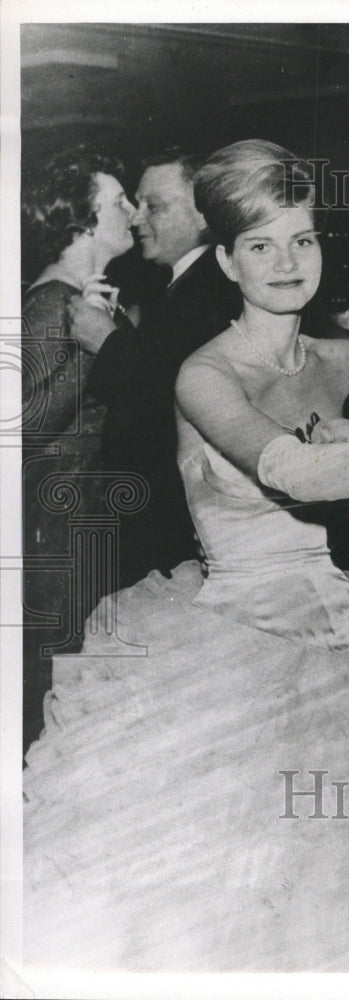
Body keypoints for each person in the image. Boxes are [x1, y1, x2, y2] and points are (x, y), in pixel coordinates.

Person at [23, 139, 349, 971]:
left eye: (303, 239)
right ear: (227, 259)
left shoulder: (338, 358)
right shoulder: (204, 371)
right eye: (260, 245)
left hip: (344, 641)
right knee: (225, 907)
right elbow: (292, 470)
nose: (286, 261)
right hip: (232, 648)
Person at [68, 148, 243, 588]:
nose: (134, 219)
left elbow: (175, 390)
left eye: (155, 206)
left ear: (205, 214)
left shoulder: (213, 286)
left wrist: (106, 340)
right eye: (136, 204)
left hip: (178, 532)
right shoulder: (187, 284)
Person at [21, 145, 136, 750]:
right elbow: (26, 422)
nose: (133, 213)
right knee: (53, 687)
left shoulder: (79, 299)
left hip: (79, 519)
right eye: (119, 202)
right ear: (82, 222)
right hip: (56, 527)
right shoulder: (52, 305)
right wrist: (92, 348)